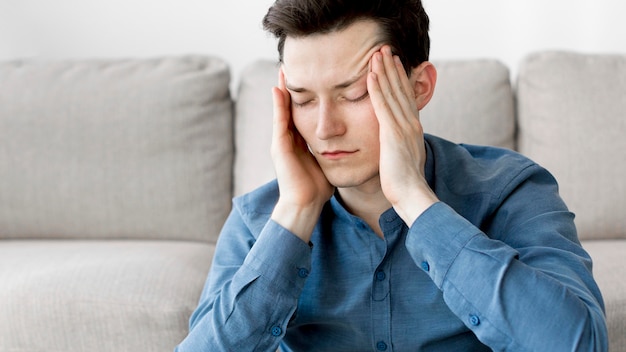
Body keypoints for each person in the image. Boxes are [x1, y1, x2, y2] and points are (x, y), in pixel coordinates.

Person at [176, 0, 608, 351]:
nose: (325, 129)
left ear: (419, 87)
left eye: (355, 94)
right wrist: (296, 211)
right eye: (303, 100)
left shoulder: (511, 190)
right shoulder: (260, 219)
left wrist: (415, 201)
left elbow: (577, 343)